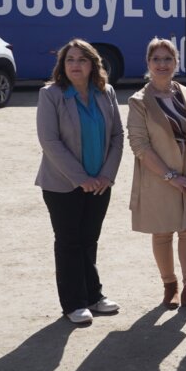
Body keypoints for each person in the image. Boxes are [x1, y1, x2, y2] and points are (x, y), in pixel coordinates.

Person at [35, 39, 124, 325]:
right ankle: (74, 303)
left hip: (100, 183)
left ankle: (94, 296)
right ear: (62, 65)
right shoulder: (51, 95)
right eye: (70, 59)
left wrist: (107, 175)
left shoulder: (106, 92)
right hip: (63, 185)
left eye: (82, 60)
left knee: (89, 239)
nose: (75, 64)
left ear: (92, 64)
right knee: (69, 242)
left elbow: (117, 137)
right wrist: (81, 179)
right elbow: (49, 141)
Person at [126, 38, 186, 314]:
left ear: (176, 62)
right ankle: (170, 286)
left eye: (168, 59)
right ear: (148, 64)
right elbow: (139, 144)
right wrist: (170, 176)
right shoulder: (139, 101)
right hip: (159, 178)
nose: (162, 64)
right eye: (156, 59)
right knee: (163, 233)